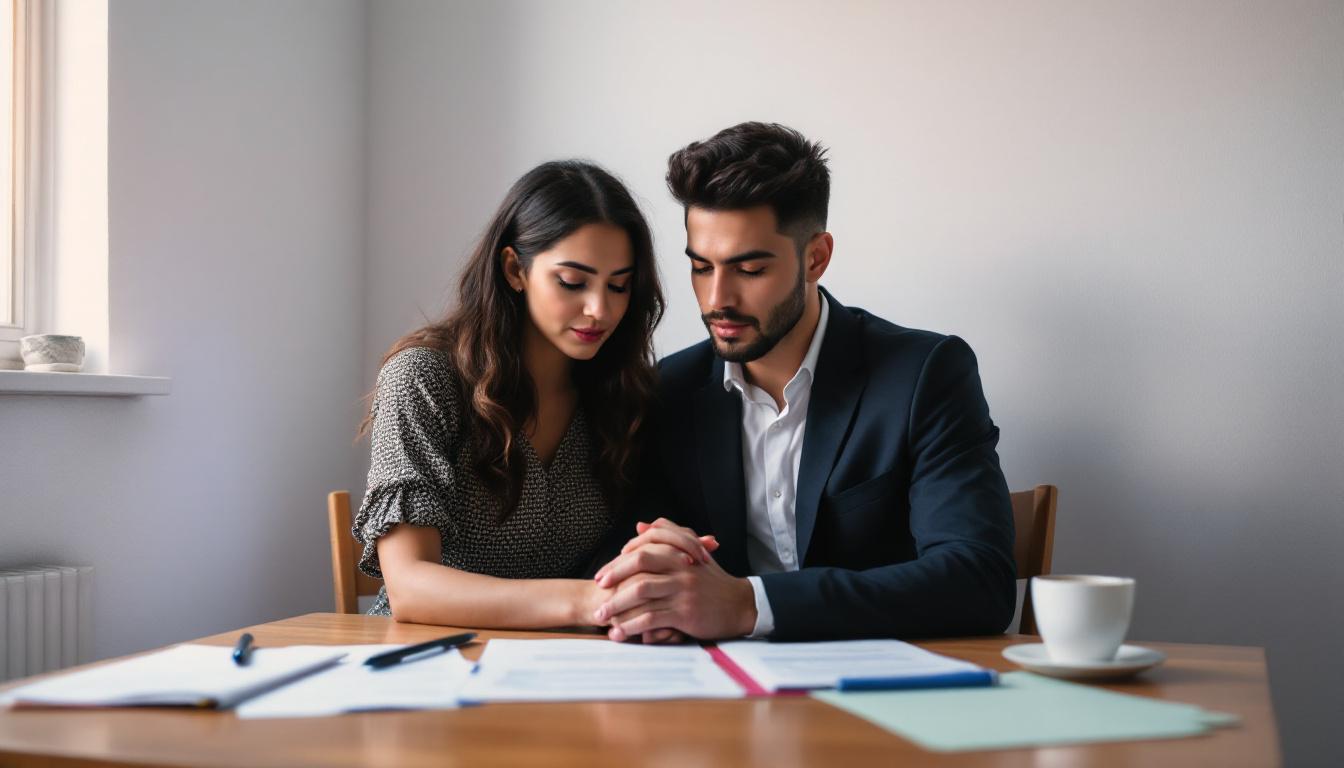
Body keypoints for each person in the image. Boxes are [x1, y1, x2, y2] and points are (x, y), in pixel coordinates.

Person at [591, 123, 1018, 642]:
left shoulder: (924, 373)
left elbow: (979, 582)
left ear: (815, 257)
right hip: (714, 697)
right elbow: (634, 565)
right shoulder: (668, 392)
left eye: (749, 269)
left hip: (887, 693)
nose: (716, 298)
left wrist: (750, 605)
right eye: (701, 267)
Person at [353, 160, 713, 628]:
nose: (599, 309)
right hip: (430, 659)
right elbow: (410, 587)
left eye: (619, 285)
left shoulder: (624, 394)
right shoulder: (424, 377)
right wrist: (588, 603)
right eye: (572, 282)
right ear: (514, 269)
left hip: (575, 663)